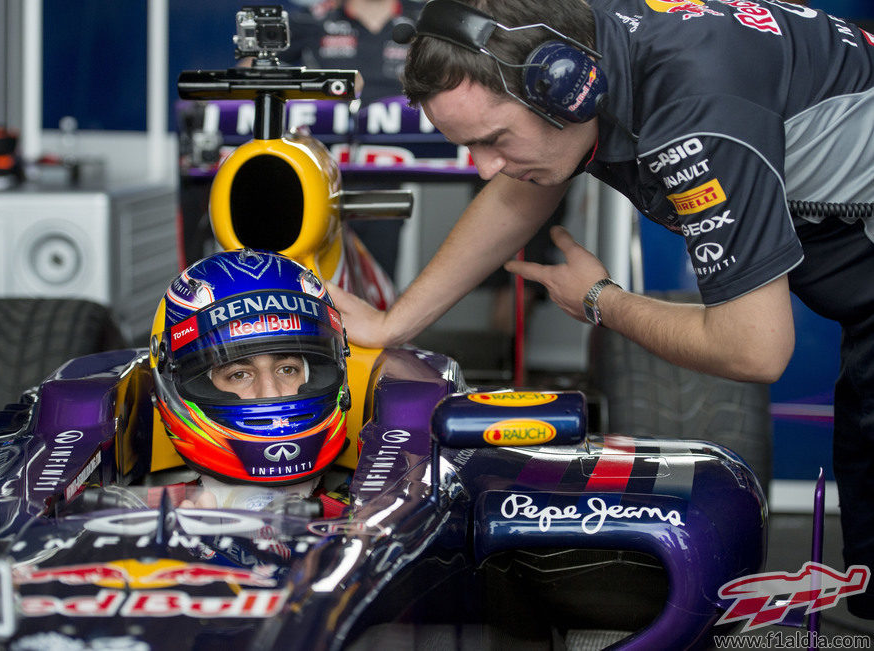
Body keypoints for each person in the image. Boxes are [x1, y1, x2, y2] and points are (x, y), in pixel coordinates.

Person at [324, 0, 874, 617]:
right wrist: (394, 323)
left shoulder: (692, 113)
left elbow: (755, 347)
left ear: (566, 88)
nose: (485, 170)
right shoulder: (581, 46)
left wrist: (599, 300)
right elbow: (521, 186)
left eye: (493, 140)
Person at [150, 248, 351, 510]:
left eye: (287, 369)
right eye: (239, 374)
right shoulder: (148, 514)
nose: (270, 393)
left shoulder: (374, 501)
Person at [284, 0, 423, 281]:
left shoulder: (424, 18)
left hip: (389, 170)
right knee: (311, 274)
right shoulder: (314, 18)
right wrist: (315, 83)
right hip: (319, 171)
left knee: (380, 276)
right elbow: (252, 73)